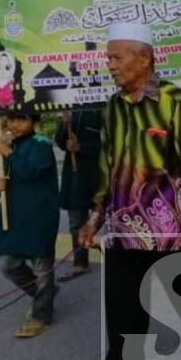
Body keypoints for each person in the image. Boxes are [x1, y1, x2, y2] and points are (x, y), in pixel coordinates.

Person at [77, 22, 181, 360]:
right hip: (124, 227)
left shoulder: (177, 102)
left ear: (144, 58)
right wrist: (94, 218)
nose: (110, 65)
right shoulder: (113, 107)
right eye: (108, 57)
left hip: (169, 227)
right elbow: (106, 168)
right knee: (122, 303)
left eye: (117, 57)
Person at [0, 110, 59, 338]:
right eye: (11, 119)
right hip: (15, 216)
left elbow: (29, 171)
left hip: (39, 216)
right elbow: (4, 179)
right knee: (7, 263)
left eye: (22, 118)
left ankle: (41, 315)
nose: (14, 124)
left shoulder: (42, 145)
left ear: (35, 121)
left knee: (42, 269)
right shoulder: (12, 146)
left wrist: (7, 152)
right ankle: (44, 295)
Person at [55, 110, 103, 282]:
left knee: (105, 216)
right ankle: (80, 262)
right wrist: (63, 124)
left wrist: (82, 147)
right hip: (75, 176)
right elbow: (60, 141)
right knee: (76, 220)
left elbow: (112, 143)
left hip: (100, 173)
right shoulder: (71, 108)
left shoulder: (103, 106)